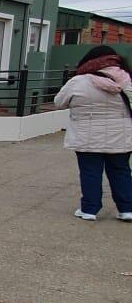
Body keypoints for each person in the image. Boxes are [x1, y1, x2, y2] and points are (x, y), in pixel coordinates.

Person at [53, 45, 132, 222]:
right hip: (121, 136)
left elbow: (59, 102)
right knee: (121, 171)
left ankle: (89, 209)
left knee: (90, 172)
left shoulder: (79, 81)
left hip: (87, 136)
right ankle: (127, 209)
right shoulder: (127, 80)